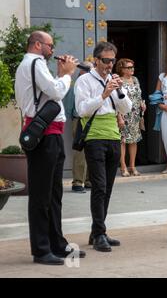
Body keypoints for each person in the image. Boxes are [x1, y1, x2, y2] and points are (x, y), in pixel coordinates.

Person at [15, 31, 85, 265]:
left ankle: (56, 242)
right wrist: (66, 75)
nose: (53, 49)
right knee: (41, 195)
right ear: (37, 44)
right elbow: (57, 92)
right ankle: (42, 249)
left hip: (51, 134)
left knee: (54, 194)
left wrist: (60, 76)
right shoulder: (34, 62)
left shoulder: (38, 65)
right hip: (43, 136)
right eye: (50, 45)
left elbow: (50, 91)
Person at [75, 42, 132, 252]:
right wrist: (103, 95)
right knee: (98, 186)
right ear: (96, 60)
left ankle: (98, 231)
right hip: (94, 137)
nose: (110, 65)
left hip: (113, 136)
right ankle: (99, 234)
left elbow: (127, 108)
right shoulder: (84, 81)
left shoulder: (113, 80)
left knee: (107, 187)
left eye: (112, 61)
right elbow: (82, 110)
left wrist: (118, 92)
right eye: (106, 61)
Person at [63, 61, 93, 193]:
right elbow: (69, 105)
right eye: (87, 69)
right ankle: (77, 182)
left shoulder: (95, 82)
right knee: (80, 151)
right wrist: (72, 119)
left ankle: (89, 180)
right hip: (79, 119)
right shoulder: (75, 84)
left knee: (93, 150)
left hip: (94, 119)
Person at [116, 58, 146, 177]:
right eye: (128, 67)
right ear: (121, 69)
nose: (131, 69)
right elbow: (117, 100)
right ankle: (123, 167)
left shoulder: (135, 80)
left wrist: (142, 104)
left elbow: (139, 95)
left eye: (132, 67)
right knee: (122, 140)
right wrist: (119, 116)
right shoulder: (119, 81)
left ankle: (132, 166)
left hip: (135, 115)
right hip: (124, 114)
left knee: (134, 140)